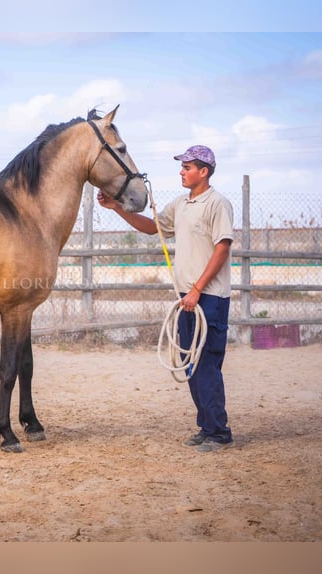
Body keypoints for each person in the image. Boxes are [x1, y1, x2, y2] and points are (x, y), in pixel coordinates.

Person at [97, 144, 234, 453]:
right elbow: (152, 228)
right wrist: (117, 208)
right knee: (190, 364)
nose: (181, 172)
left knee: (207, 364)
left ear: (204, 171)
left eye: (187, 167)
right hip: (187, 297)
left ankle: (219, 432)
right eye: (182, 167)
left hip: (209, 296)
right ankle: (206, 425)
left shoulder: (218, 204)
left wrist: (198, 288)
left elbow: (222, 248)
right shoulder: (181, 204)